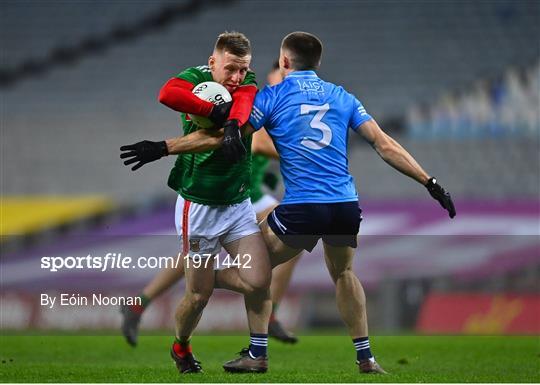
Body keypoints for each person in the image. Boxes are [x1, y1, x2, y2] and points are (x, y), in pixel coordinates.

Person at [142, 31, 456, 374]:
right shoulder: (343, 96)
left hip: (302, 209)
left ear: (284, 62)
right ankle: (366, 358)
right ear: (317, 63)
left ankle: (252, 347)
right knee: (344, 273)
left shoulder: (272, 96)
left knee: (254, 270)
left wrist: (165, 146)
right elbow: (384, 144)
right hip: (345, 206)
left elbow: (220, 138)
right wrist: (430, 181)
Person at [120, 31, 273, 374]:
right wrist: (214, 112)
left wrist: (233, 124)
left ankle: (255, 352)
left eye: (243, 69)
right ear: (212, 63)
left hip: (237, 205)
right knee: (198, 298)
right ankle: (181, 346)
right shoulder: (193, 80)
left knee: (260, 281)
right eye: (230, 69)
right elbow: (167, 94)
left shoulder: (246, 82)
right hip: (198, 206)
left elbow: (246, 100)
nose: (236, 78)